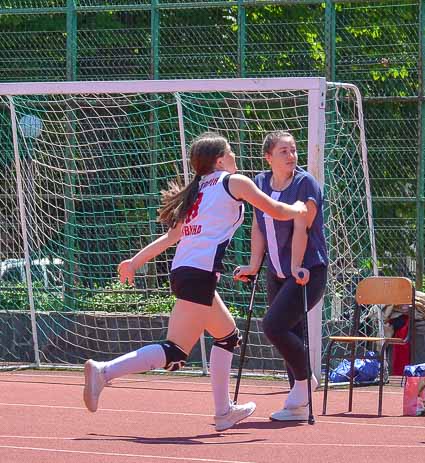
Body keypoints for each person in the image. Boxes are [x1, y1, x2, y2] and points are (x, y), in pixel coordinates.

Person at [82, 132, 307, 432]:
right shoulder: (233, 182)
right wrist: (300, 209)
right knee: (175, 351)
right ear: (219, 160)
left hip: (186, 272)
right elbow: (276, 211)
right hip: (198, 275)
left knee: (227, 336)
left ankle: (223, 411)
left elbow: (171, 237)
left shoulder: (198, 189)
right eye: (230, 153)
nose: (235, 157)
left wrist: (135, 261)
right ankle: (104, 372)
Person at [234, 131, 328, 422]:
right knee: (291, 331)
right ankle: (299, 406)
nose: (291, 156)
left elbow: (302, 227)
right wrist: (253, 264)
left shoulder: (305, 184)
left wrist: (297, 265)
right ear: (268, 157)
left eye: (293, 150)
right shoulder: (260, 183)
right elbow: (258, 226)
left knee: (273, 326)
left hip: (308, 271)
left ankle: (305, 382)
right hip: (276, 272)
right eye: (284, 151)